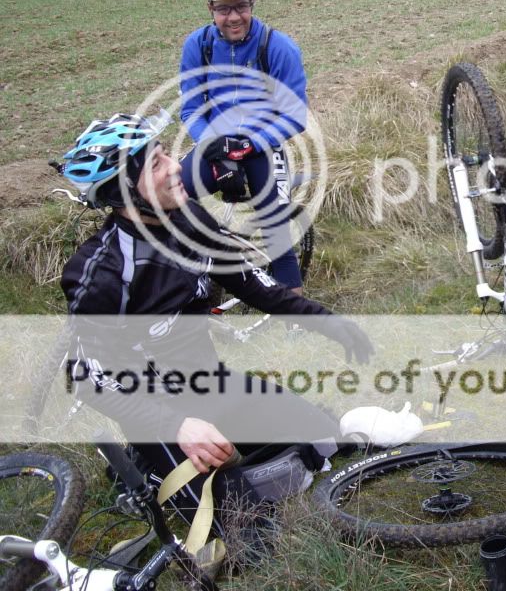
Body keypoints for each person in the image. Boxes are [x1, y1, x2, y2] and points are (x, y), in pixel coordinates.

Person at [57, 111, 373, 542]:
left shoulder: (192, 219)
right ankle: (146, 468)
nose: (175, 168)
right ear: (125, 195)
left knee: (328, 444)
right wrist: (176, 426)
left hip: (212, 383)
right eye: (155, 164)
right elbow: (85, 377)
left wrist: (328, 323)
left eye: (166, 153)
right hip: (160, 415)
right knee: (248, 542)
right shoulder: (102, 275)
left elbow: (253, 283)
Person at [179, 0, 309, 294]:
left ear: (252, 3)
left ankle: (295, 316)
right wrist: (217, 150)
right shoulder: (198, 46)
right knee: (172, 204)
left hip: (263, 146)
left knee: (275, 230)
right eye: (223, 9)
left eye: (241, 6)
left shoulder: (278, 48)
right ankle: (193, 288)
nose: (233, 17)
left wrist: (249, 145)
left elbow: (295, 115)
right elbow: (191, 109)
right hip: (214, 146)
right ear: (210, 9)